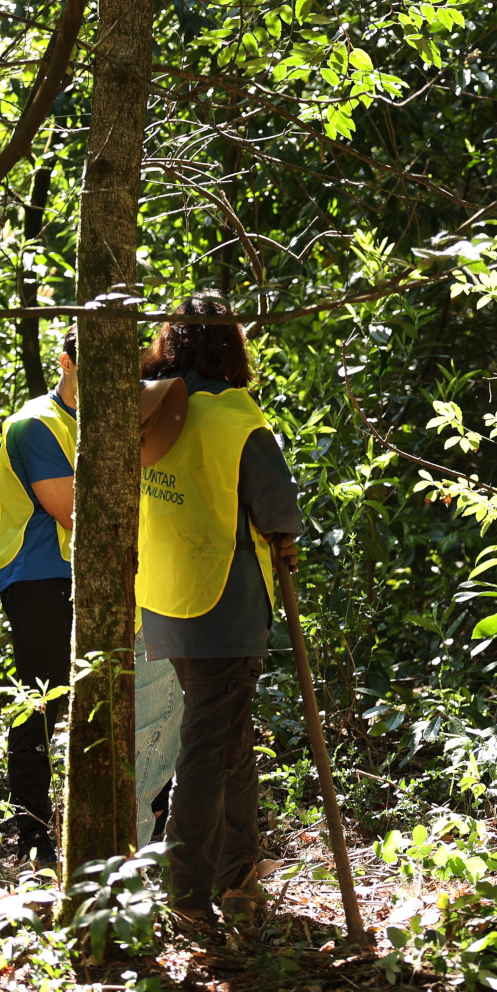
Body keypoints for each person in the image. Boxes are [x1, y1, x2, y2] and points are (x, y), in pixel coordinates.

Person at [137, 291, 301, 926]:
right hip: (224, 606)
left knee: (227, 740)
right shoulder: (237, 417)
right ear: (232, 344)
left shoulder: (151, 411)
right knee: (209, 745)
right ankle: (189, 893)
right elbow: (280, 513)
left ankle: (239, 875)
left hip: (165, 602)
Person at [0, 325, 78, 869]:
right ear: (66, 362)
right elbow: (70, 507)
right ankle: (31, 833)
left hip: (88, 573)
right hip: (40, 577)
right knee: (42, 700)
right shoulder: (34, 424)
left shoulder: (107, 422)